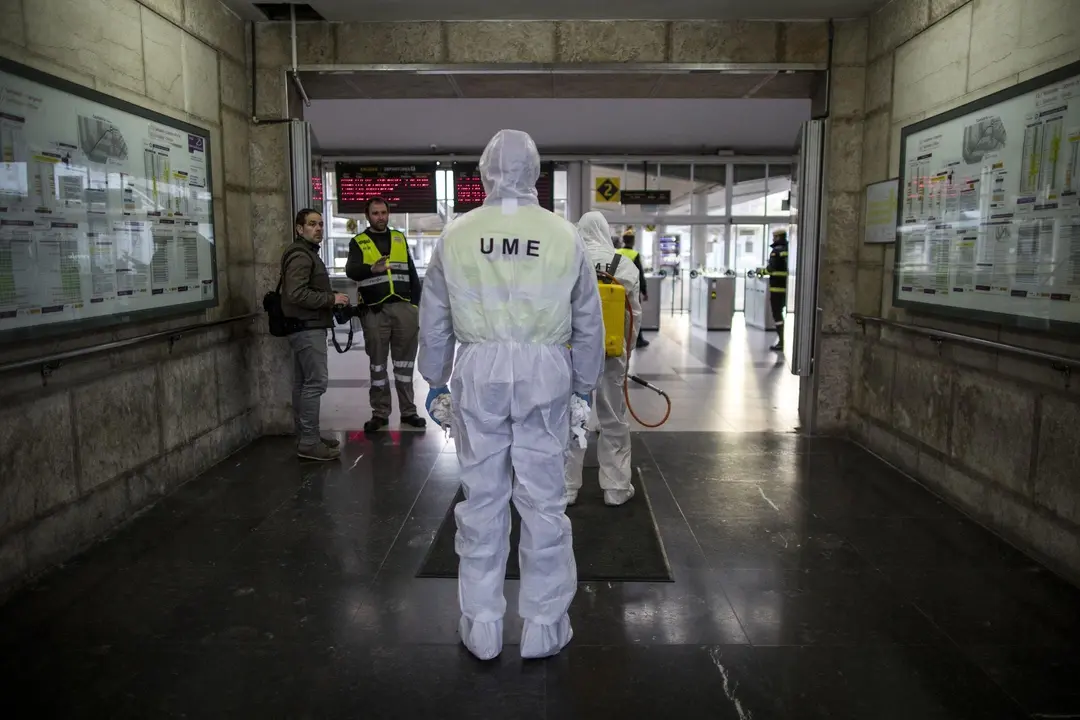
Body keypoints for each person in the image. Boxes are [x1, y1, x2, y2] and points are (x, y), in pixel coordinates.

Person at [418, 129, 605, 661]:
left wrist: (435, 381)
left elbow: (435, 320)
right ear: (536, 174)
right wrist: (583, 388)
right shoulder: (563, 234)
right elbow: (588, 323)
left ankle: (481, 623)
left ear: (484, 173)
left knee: (483, 498)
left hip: (479, 371)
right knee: (544, 502)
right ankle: (544, 626)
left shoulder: (456, 235)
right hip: (546, 370)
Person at [565, 212, 641, 507]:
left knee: (574, 416)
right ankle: (616, 488)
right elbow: (634, 315)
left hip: (574, 353)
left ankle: (567, 488)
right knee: (613, 418)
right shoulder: (623, 265)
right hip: (612, 352)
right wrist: (627, 349)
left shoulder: (570, 262)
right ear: (605, 232)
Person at [345, 197, 427, 432]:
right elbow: (351, 270)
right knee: (378, 366)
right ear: (367, 216)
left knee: (404, 365)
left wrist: (415, 305)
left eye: (383, 212)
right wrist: (372, 269)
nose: (380, 217)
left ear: (388, 213)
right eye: (375, 213)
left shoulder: (399, 238)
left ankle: (408, 411)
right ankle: (380, 413)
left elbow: (411, 273)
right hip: (375, 311)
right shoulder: (358, 242)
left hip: (403, 309)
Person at [281, 209, 350, 461]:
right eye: (312, 224)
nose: (318, 228)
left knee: (303, 384)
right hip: (307, 327)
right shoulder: (301, 255)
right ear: (299, 229)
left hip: (303, 326)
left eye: (321, 224)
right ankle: (309, 441)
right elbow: (296, 293)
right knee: (315, 383)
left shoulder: (307, 253)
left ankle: (307, 435)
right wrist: (332, 298)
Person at [617, 231, 649, 348]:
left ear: (623, 241)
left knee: (619, 313)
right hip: (632, 289)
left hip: (618, 288)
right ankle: (638, 339)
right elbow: (640, 274)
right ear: (633, 241)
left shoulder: (617, 252)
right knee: (635, 313)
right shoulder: (635, 254)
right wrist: (644, 291)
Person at [766, 228, 790, 352]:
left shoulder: (776, 251)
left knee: (777, 314)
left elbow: (771, 269)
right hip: (788, 287)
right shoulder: (789, 249)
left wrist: (761, 271)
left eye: (774, 237)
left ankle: (781, 341)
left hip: (776, 288)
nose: (772, 239)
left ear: (778, 237)